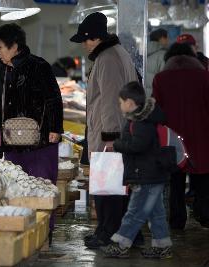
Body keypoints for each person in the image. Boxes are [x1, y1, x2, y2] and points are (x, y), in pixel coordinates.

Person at [0, 23, 63, 243]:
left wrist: (55, 128)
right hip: (12, 142)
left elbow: (53, 99)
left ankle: (44, 233)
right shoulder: (2, 70)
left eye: (0, 47)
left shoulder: (38, 65)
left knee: (41, 186)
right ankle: (22, 233)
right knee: (17, 187)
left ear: (14, 46)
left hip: (40, 142)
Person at [70, 12, 139, 249]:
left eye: (85, 40)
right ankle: (118, 232)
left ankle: (108, 233)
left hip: (109, 135)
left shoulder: (107, 59)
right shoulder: (116, 54)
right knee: (115, 189)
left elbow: (111, 100)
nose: (83, 45)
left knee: (107, 190)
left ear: (95, 38)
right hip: (116, 133)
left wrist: (110, 138)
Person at [102, 81, 173, 259]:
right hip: (152, 173)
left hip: (146, 175)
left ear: (129, 103)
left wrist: (117, 144)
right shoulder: (143, 118)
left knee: (135, 212)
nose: (119, 106)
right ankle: (162, 246)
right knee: (156, 213)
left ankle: (120, 244)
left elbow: (138, 146)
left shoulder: (142, 121)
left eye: (120, 102)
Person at [153, 42, 209, 229]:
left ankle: (177, 220)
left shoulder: (161, 79)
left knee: (176, 180)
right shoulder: (204, 76)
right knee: (202, 177)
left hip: (172, 136)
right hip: (201, 134)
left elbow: (157, 110)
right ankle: (204, 214)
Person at [146, 28, 168, 96]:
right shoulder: (163, 55)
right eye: (166, 38)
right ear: (162, 38)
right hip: (156, 96)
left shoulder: (144, 53)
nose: (168, 40)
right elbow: (165, 79)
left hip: (144, 95)